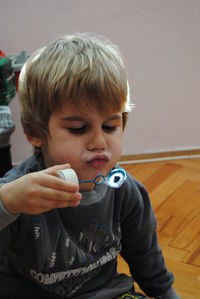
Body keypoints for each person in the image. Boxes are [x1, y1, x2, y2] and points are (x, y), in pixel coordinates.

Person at [0, 33, 181, 299]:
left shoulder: (126, 192)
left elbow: (148, 261)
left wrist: (166, 292)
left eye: (110, 126)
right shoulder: (21, 192)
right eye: (78, 128)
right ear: (35, 133)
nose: (99, 142)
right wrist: (8, 202)